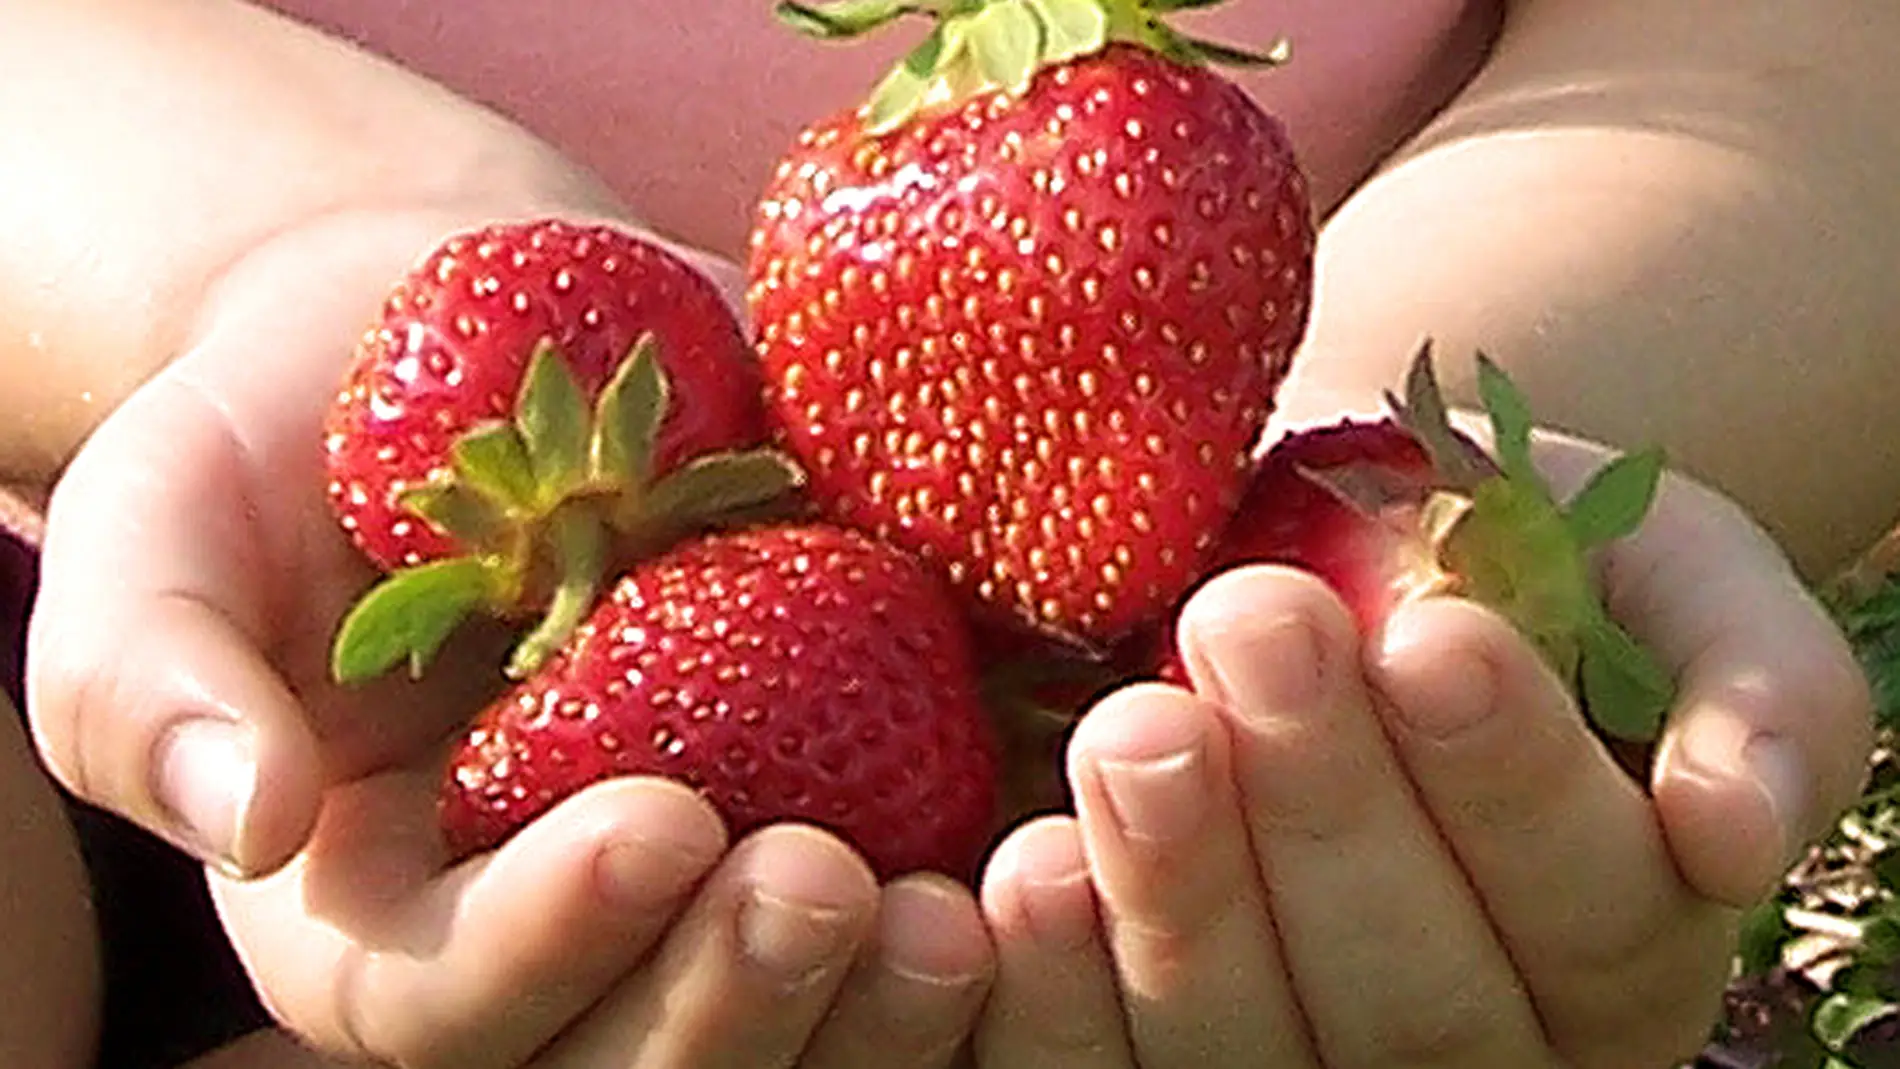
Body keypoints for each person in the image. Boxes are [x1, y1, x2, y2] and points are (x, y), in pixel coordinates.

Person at [2, 0, 1891, 1066]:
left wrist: (1369, 491)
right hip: (239, 592)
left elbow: (1810, 60)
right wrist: (296, 259)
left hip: (1163, 737)